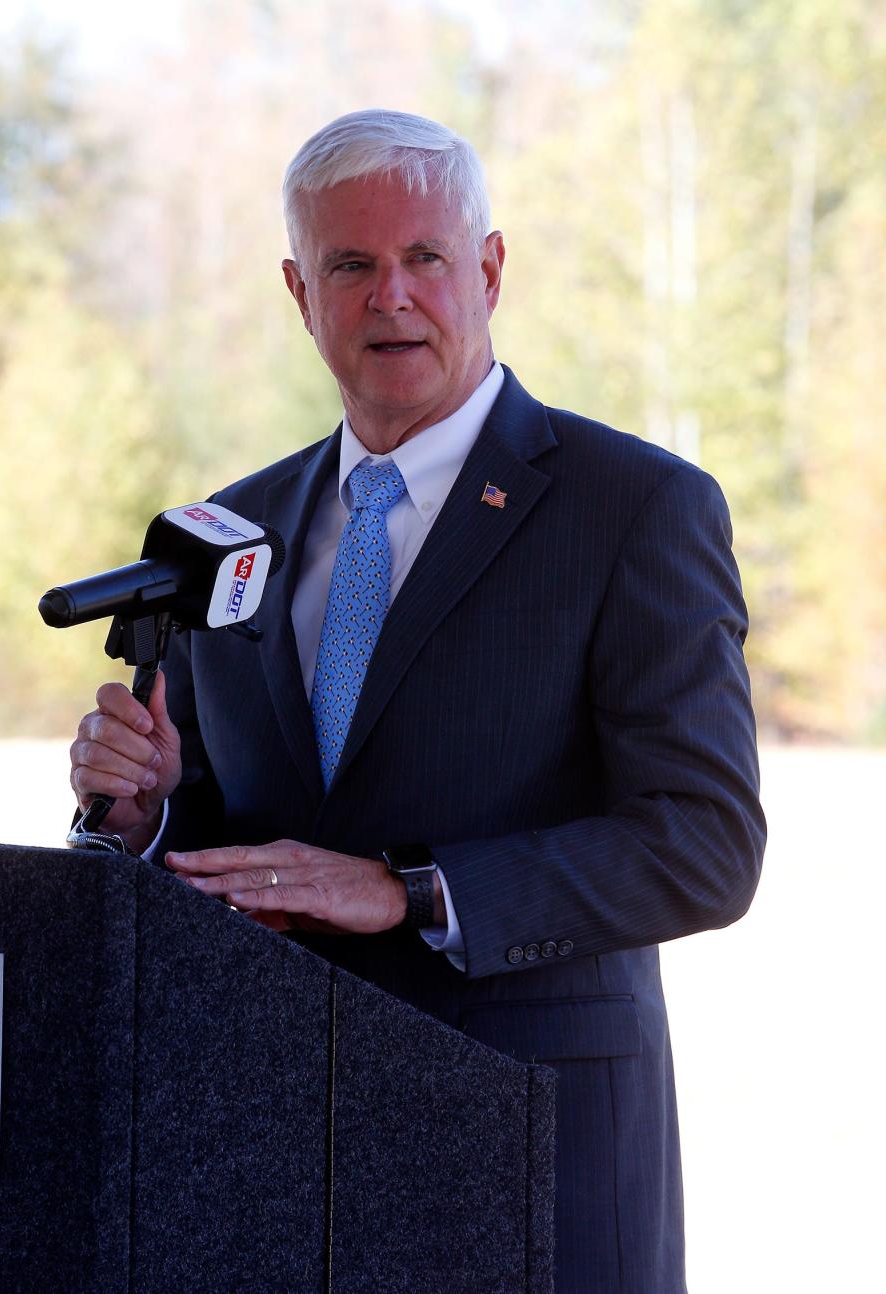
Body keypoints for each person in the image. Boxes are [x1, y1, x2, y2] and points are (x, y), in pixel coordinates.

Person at [68, 109, 766, 1292]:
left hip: (532, 1151)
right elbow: (235, 836)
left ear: (487, 268)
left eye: (424, 258)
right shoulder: (226, 533)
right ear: (301, 291)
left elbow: (705, 845)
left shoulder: (636, 508)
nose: (390, 295)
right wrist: (144, 820)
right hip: (273, 1161)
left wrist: (409, 891)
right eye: (351, 265)